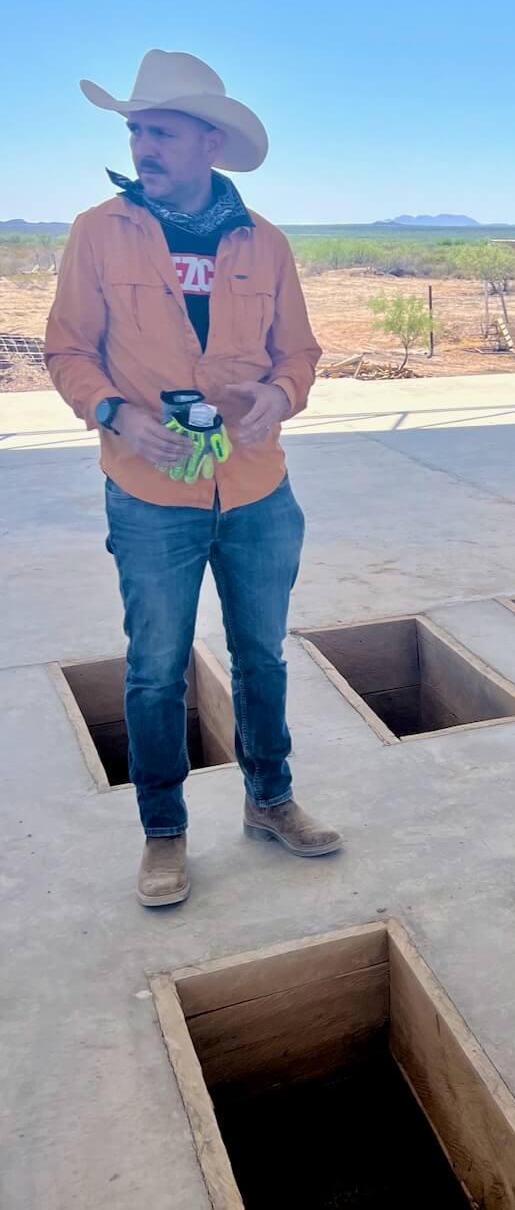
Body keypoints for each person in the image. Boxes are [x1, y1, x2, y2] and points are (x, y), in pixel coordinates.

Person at [45, 50, 341, 907]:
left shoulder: (265, 242)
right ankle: (164, 835)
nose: (142, 143)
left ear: (208, 139)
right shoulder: (99, 231)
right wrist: (119, 415)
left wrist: (278, 398)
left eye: (160, 129)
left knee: (262, 658)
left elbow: (300, 354)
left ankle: (270, 800)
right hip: (148, 495)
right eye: (135, 129)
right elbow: (67, 349)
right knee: (154, 670)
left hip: (257, 490)